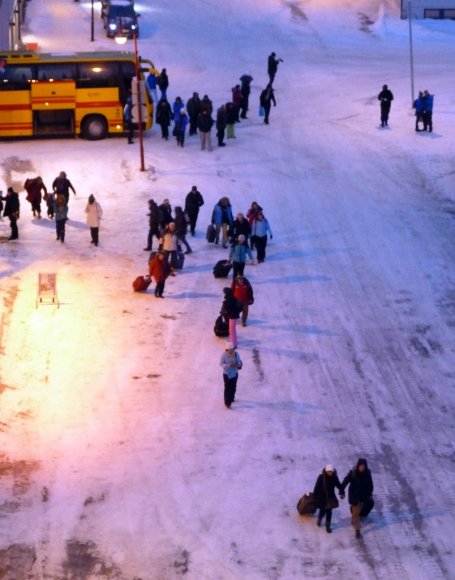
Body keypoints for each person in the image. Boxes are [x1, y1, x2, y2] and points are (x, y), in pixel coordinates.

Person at [340, 458, 374, 539]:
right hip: (355, 497)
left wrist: (369, 494)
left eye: (363, 466)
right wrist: (341, 491)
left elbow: (370, 484)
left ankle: (354, 513)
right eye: (361, 466)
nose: (362, 468)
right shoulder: (353, 473)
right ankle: (357, 530)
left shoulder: (367, 473)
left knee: (369, 504)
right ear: (358, 466)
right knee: (356, 513)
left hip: (364, 496)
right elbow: (345, 481)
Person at [313, 465, 344, 534]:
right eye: (328, 472)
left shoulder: (335, 477)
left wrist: (342, 492)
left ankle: (328, 526)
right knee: (322, 510)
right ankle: (319, 519)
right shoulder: (321, 477)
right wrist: (315, 495)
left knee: (329, 512)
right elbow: (317, 486)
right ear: (326, 471)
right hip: (322, 497)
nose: (330, 473)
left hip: (330, 497)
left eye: (331, 472)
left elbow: (339, 486)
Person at [220, 342, 243, 409]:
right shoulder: (223, 355)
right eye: (229, 350)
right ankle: (227, 403)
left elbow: (239, 361)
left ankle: (232, 397)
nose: (230, 351)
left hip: (234, 373)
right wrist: (227, 365)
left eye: (232, 350)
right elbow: (221, 363)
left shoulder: (236, 354)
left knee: (233, 386)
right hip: (226, 374)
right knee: (227, 388)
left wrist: (238, 364)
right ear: (226, 349)